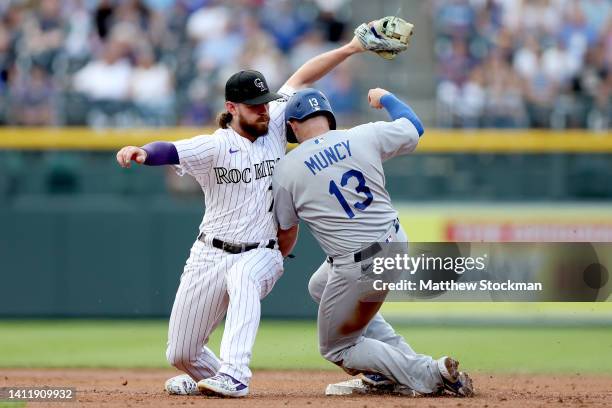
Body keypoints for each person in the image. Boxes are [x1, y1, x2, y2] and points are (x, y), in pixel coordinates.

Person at [115, 36, 367, 398]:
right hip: (208, 253)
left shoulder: (275, 120)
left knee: (244, 277)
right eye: (254, 106)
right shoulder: (214, 145)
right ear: (232, 107)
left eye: (265, 103)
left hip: (261, 252)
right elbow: (169, 150)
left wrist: (351, 48)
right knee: (181, 352)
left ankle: (234, 374)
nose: (264, 111)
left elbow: (303, 77)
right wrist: (141, 151)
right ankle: (204, 375)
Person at [271, 87, 475, 397]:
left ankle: (428, 373)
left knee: (337, 347)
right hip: (395, 244)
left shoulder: (287, 168)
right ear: (329, 119)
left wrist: (275, 260)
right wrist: (386, 98)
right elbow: (414, 127)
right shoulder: (363, 135)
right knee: (319, 286)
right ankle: (387, 371)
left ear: (293, 126)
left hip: (358, 266)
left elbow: (286, 232)